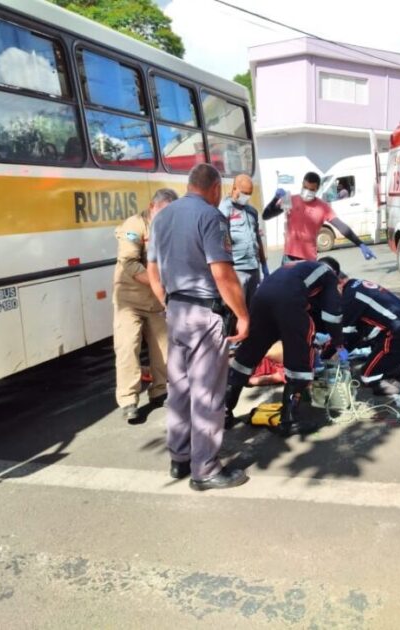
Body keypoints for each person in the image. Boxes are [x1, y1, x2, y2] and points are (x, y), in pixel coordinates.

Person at [147, 164, 250, 492]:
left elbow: (152, 269)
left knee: (179, 388)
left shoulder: (161, 217)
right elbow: (222, 273)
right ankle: (204, 470)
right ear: (216, 188)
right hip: (205, 314)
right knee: (206, 393)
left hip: (175, 310)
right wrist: (243, 315)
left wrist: (168, 301)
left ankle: (180, 459)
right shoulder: (211, 217)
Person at [225, 257, 346, 436]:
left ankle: (223, 412)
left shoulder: (299, 266)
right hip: (289, 302)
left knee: (247, 355)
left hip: (261, 298)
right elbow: (332, 315)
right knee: (300, 360)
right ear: (335, 272)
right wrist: (338, 343)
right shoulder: (329, 275)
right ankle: (288, 421)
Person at [113, 188, 177, 423]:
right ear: (152, 207)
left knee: (163, 349)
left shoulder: (168, 228)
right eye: (163, 212)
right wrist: (158, 282)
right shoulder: (135, 225)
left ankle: (160, 391)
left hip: (156, 299)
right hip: (129, 300)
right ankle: (129, 399)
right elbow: (129, 263)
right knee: (128, 347)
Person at [330, 263, 400, 396]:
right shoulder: (357, 283)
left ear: (338, 285)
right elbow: (357, 332)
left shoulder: (349, 297)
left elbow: (345, 336)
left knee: (368, 377)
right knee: (367, 336)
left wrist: (328, 355)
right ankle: (398, 360)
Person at [264, 172, 376, 263]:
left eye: (311, 189)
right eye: (305, 187)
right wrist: (275, 199)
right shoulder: (291, 200)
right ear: (302, 184)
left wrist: (360, 243)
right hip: (289, 257)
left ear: (317, 189)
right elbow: (266, 215)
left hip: (309, 259)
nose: (307, 191)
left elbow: (342, 227)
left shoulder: (323, 207)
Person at [218, 173, 269, 307]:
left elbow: (257, 238)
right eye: (244, 193)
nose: (246, 197)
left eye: (249, 194)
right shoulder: (224, 210)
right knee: (238, 314)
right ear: (234, 188)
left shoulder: (252, 212)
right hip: (237, 271)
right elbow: (221, 242)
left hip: (254, 268)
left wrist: (264, 265)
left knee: (255, 310)